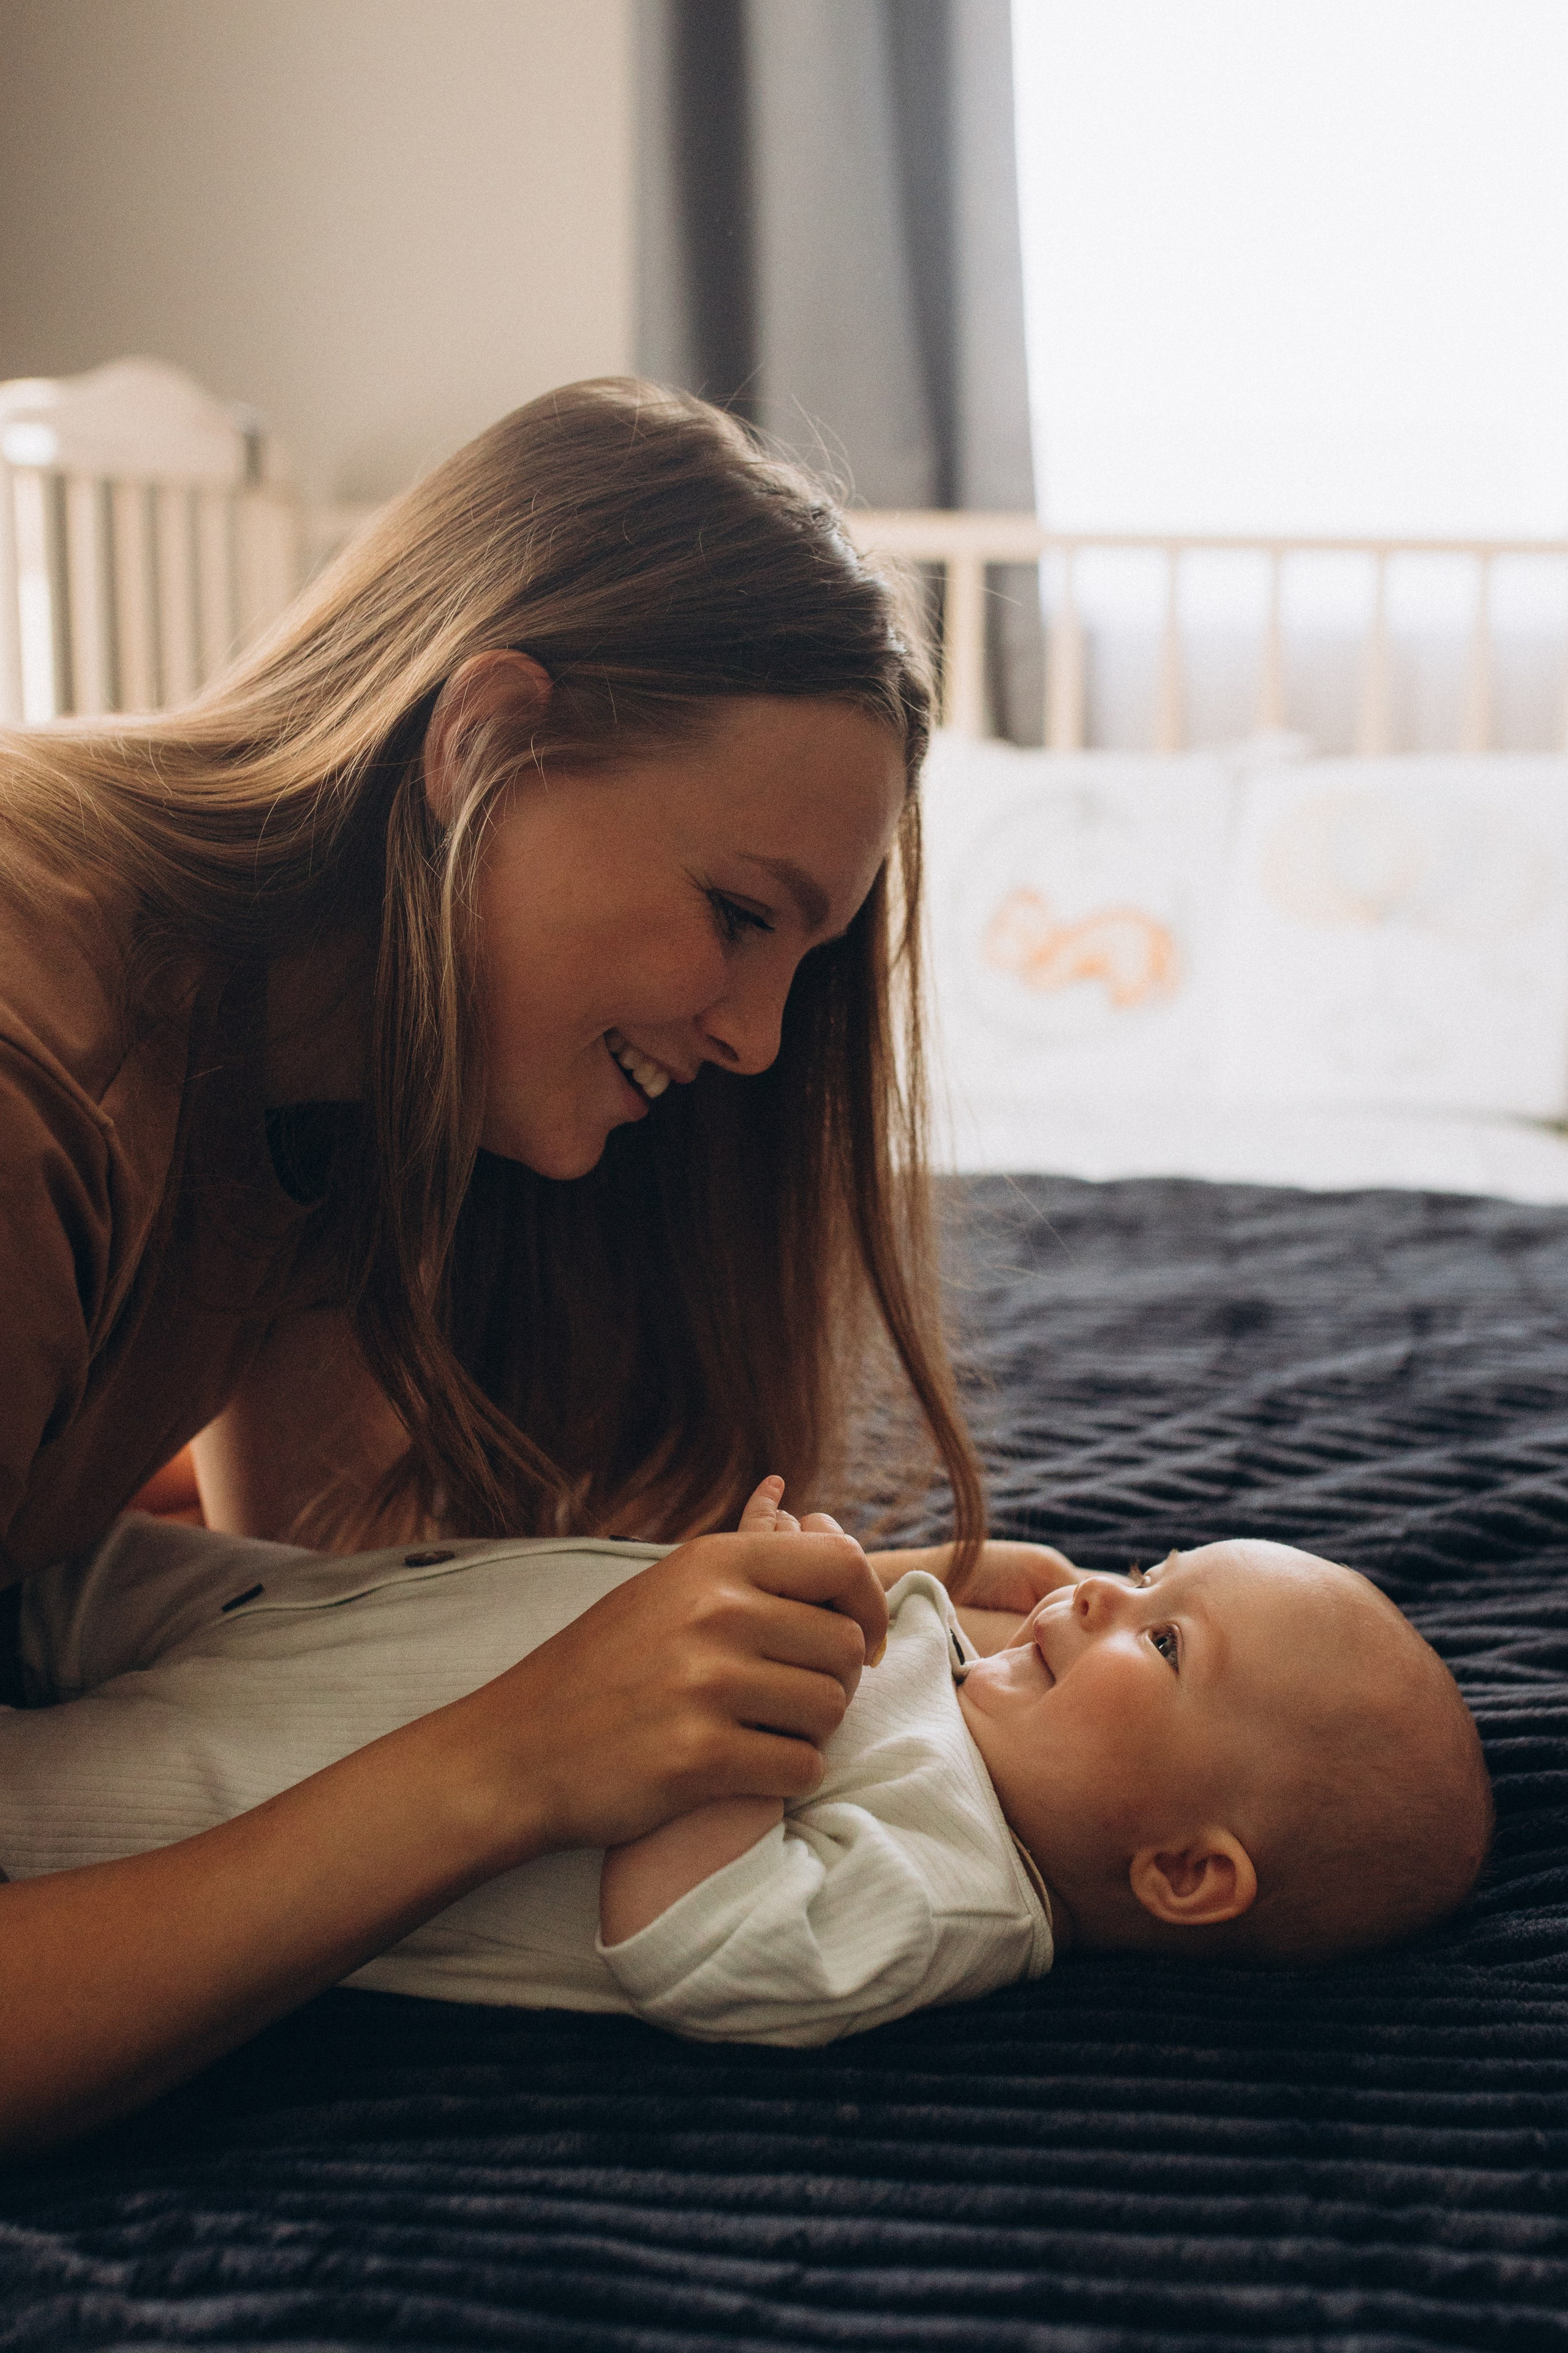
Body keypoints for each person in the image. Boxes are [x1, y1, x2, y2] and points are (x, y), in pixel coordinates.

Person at [0, 380, 1065, 2155]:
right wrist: (517, 1755)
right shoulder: (39, 1063)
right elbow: (462, 1743)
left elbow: (338, 1594)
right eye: (742, 916)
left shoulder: (319, 1047)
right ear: (487, 736)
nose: (751, 1041)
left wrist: (810, 1655)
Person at [0, 1476, 1494, 2048]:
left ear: (1178, 1869)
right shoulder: (985, 1695)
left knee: (72, 1773)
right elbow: (882, 1645)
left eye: (1165, 1645)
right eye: (1154, 1568)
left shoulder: (958, 1895)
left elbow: (701, 1940)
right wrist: (885, 1573)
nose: (1108, 1593)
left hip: (258, 1785)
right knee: (97, 1556)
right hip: (353, 1616)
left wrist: (739, 1737)